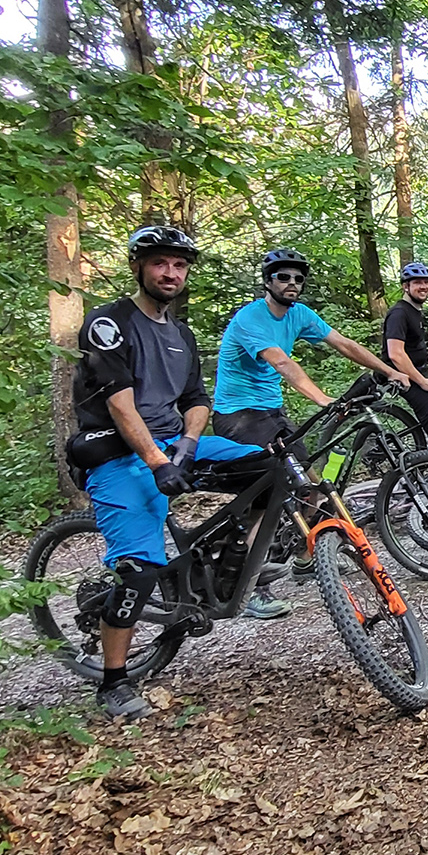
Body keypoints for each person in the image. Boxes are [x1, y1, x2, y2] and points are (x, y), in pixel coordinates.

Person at [72, 225, 265, 718]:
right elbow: (120, 405)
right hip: (115, 450)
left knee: (272, 469)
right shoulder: (109, 323)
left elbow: (196, 401)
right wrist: (159, 462)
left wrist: (185, 446)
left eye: (179, 265)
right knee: (139, 567)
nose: (171, 273)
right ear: (138, 266)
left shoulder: (181, 333)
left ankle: (227, 559)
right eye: (160, 263)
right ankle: (113, 682)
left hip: (172, 444)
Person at [210, 248, 410, 617]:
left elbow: (345, 344)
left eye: (298, 279)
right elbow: (281, 361)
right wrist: (321, 398)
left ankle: (306, 557)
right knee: (263, 498)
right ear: (268, 281)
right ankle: (242, 584)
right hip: (237, 415)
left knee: (312, 485)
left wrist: (391, 371)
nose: (292, 284)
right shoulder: (250, 318)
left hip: (271, 412)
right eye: (283, 277)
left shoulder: (299, 314)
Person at [384, 262, 428, 448]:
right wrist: (422, 381)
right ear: (406, 286)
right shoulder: (399, 313)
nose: (424, 287)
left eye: (427, 282)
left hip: (417, 372)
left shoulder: (414, 311)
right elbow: (395, 354)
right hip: (402, 376)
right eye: (418, 283)